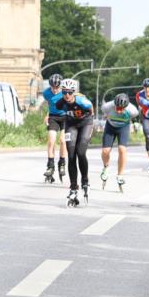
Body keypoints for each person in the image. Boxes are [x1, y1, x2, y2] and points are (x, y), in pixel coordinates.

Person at [55, 78, 94, 206]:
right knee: (71, 155)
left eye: (70, 92)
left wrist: (91, 126)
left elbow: (91, 110)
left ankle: (85, 180)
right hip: (71, 125)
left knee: (81, 152)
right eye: (64, 92)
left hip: (85, 123)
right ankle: (73, 187)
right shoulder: (60, 103)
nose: (67, 95)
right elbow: (56, 113)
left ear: (74, 92)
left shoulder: (82, 101)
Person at [100, 92, 139, 192]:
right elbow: (104, 114)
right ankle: (105, 167)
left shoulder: (132, 110)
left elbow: (135, 118)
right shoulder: (107, 107)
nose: (119, 110)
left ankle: (120, 175)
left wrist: (135, 126)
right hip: (110, 127)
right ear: (114, 104)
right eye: (118, 108)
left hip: (123, 128)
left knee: (122, 150)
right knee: (105, 151)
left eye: (122, 108)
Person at [41, 74, 68, 183]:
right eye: (53, 87)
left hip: (65, 117)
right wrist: (47, 115)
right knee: (51, 141)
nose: (55, 90)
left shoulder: (65, 92)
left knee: (62, 140)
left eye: (57, 87)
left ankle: (62, 163)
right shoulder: (46, 93)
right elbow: (50, 104)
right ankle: (50, 165)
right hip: (53, 117)